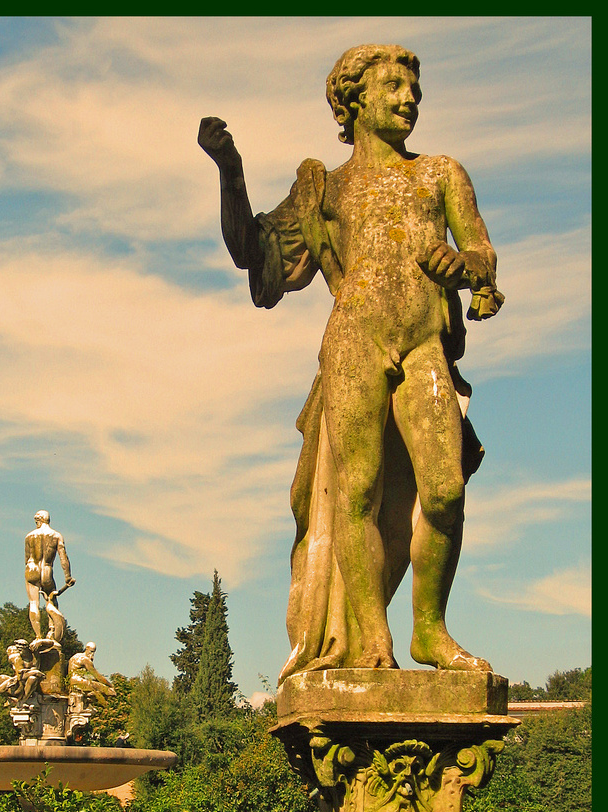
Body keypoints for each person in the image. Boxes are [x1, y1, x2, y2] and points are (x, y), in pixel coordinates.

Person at [198, 43, 504, 681]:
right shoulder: (325, 188)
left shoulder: (441, 173)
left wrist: (469, 271)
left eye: (413, 90)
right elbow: (252, 253)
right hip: (355, 341)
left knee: (444, 488)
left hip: (423, 343)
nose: (408, 99)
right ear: (353, 97)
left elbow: (479, 250)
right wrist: (231, 171)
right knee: (355, 494)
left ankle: (430, 630)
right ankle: (372, 639)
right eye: (393, 87)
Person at [25, 510, 75, 643]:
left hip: (31, 569)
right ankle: (52, 631)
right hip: (46, 570)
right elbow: (63, 558)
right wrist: (67, 577)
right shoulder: (56, 535)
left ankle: (38, 636)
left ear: (39, 520)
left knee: (34, 603)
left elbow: (26, 559)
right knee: (52, 601)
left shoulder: (29, 536)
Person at [68, 643, 117, 710]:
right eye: (91, 651)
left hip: (71, 681)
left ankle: (89, 698)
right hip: (78, 682)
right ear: (87, 649)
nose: (92, 654)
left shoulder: (76, 656)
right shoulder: (85, 660)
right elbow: (97, 676)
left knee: (95, 687)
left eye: (94, 652)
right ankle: (104, 705)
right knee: (108, 690)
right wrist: (110, 685)